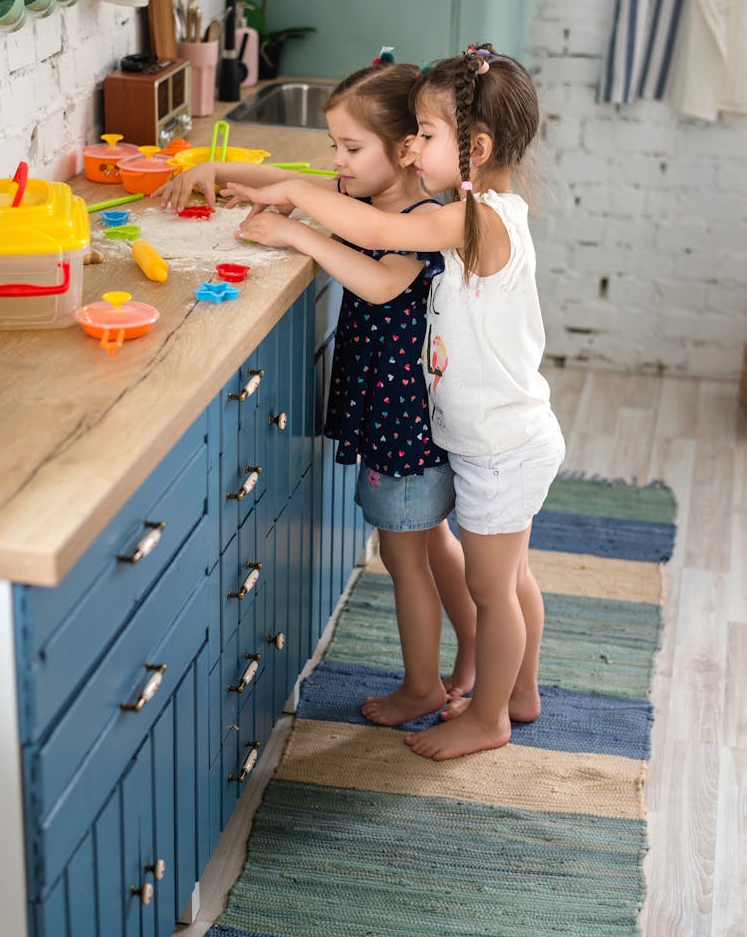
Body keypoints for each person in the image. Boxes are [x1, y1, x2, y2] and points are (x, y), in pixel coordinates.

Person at [234, 44, 565, 761]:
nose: (413, 147)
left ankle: (489, 719)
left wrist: (292, 211)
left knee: (491, 589)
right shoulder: (485, 208)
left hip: (499, 449)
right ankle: (521, 691)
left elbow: (380, 234)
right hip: (512, 433)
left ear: (474, 148)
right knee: (509, 580)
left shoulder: (472, 221)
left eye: (427, 133)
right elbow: (374, 222)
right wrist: (286, 189)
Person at [156, 56, 477, 727]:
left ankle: (423, 685)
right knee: (429, 541)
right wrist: (216, 173)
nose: (339, 161)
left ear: (407, 150)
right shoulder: (370, 196)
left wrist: (293, 228)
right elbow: (290, 180)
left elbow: (380, 282)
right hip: (406, 413)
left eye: (352, 148)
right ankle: (468, 657)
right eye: (335, 145)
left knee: (403, 553)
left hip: (404, 420)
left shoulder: (420, 215)